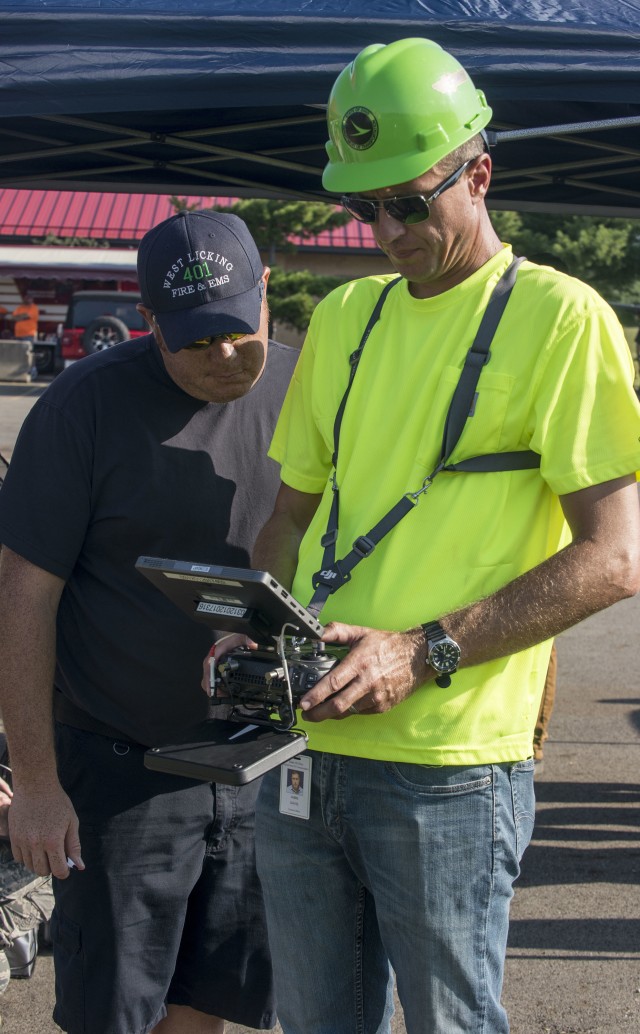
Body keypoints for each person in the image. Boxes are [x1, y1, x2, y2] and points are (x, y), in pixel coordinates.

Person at [235, 38, 640, 1034]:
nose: (386, 229)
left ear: (479, 173)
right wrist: (250, 628)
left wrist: (422, 651)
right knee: (316, 1019)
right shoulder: (343, 316)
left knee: (450, 1021)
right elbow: (288, 519)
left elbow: (616, 553)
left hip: (451, 763)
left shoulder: (558, 318)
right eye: (362, 205)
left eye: (409, 200)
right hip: (306, 740)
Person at [0, 210, 298, 1034]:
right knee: (115, 1012)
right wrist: (36, 782)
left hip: (259, 761)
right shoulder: (83, 407)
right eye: (196, 342)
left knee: (211, 1000)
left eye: (240, 332)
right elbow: (23, 596)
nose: (225, 358)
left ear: (266, 290)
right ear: (149, 320)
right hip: (120, 768)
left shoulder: (308, 394)